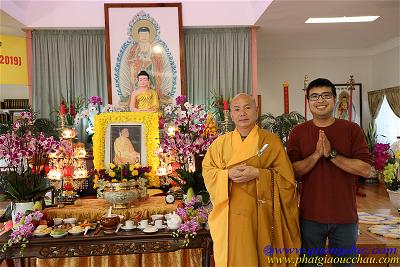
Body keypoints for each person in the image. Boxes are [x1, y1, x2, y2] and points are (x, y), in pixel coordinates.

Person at [202, 93, 300, 266]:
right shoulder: (219, 144)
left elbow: (287, 179)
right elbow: (208, 172)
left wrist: (258, 174)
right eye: (237, 109)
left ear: (256, 111)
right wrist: (227, 175)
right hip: (231, 216)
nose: (242, 113)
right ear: (231, 115)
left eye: (247, 107)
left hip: (262, 214)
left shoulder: (271, 142)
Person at [286, 78, 372, 266]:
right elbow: (291, 172)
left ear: (334, 99)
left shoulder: (351, 129)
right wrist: (316, 155)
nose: (320, 100)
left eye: (326, 95)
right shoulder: (298, 132)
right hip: (310, 216)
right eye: (314, 96)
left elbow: (365, 169)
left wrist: (332, 155)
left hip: (345, 217)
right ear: (308, 101)